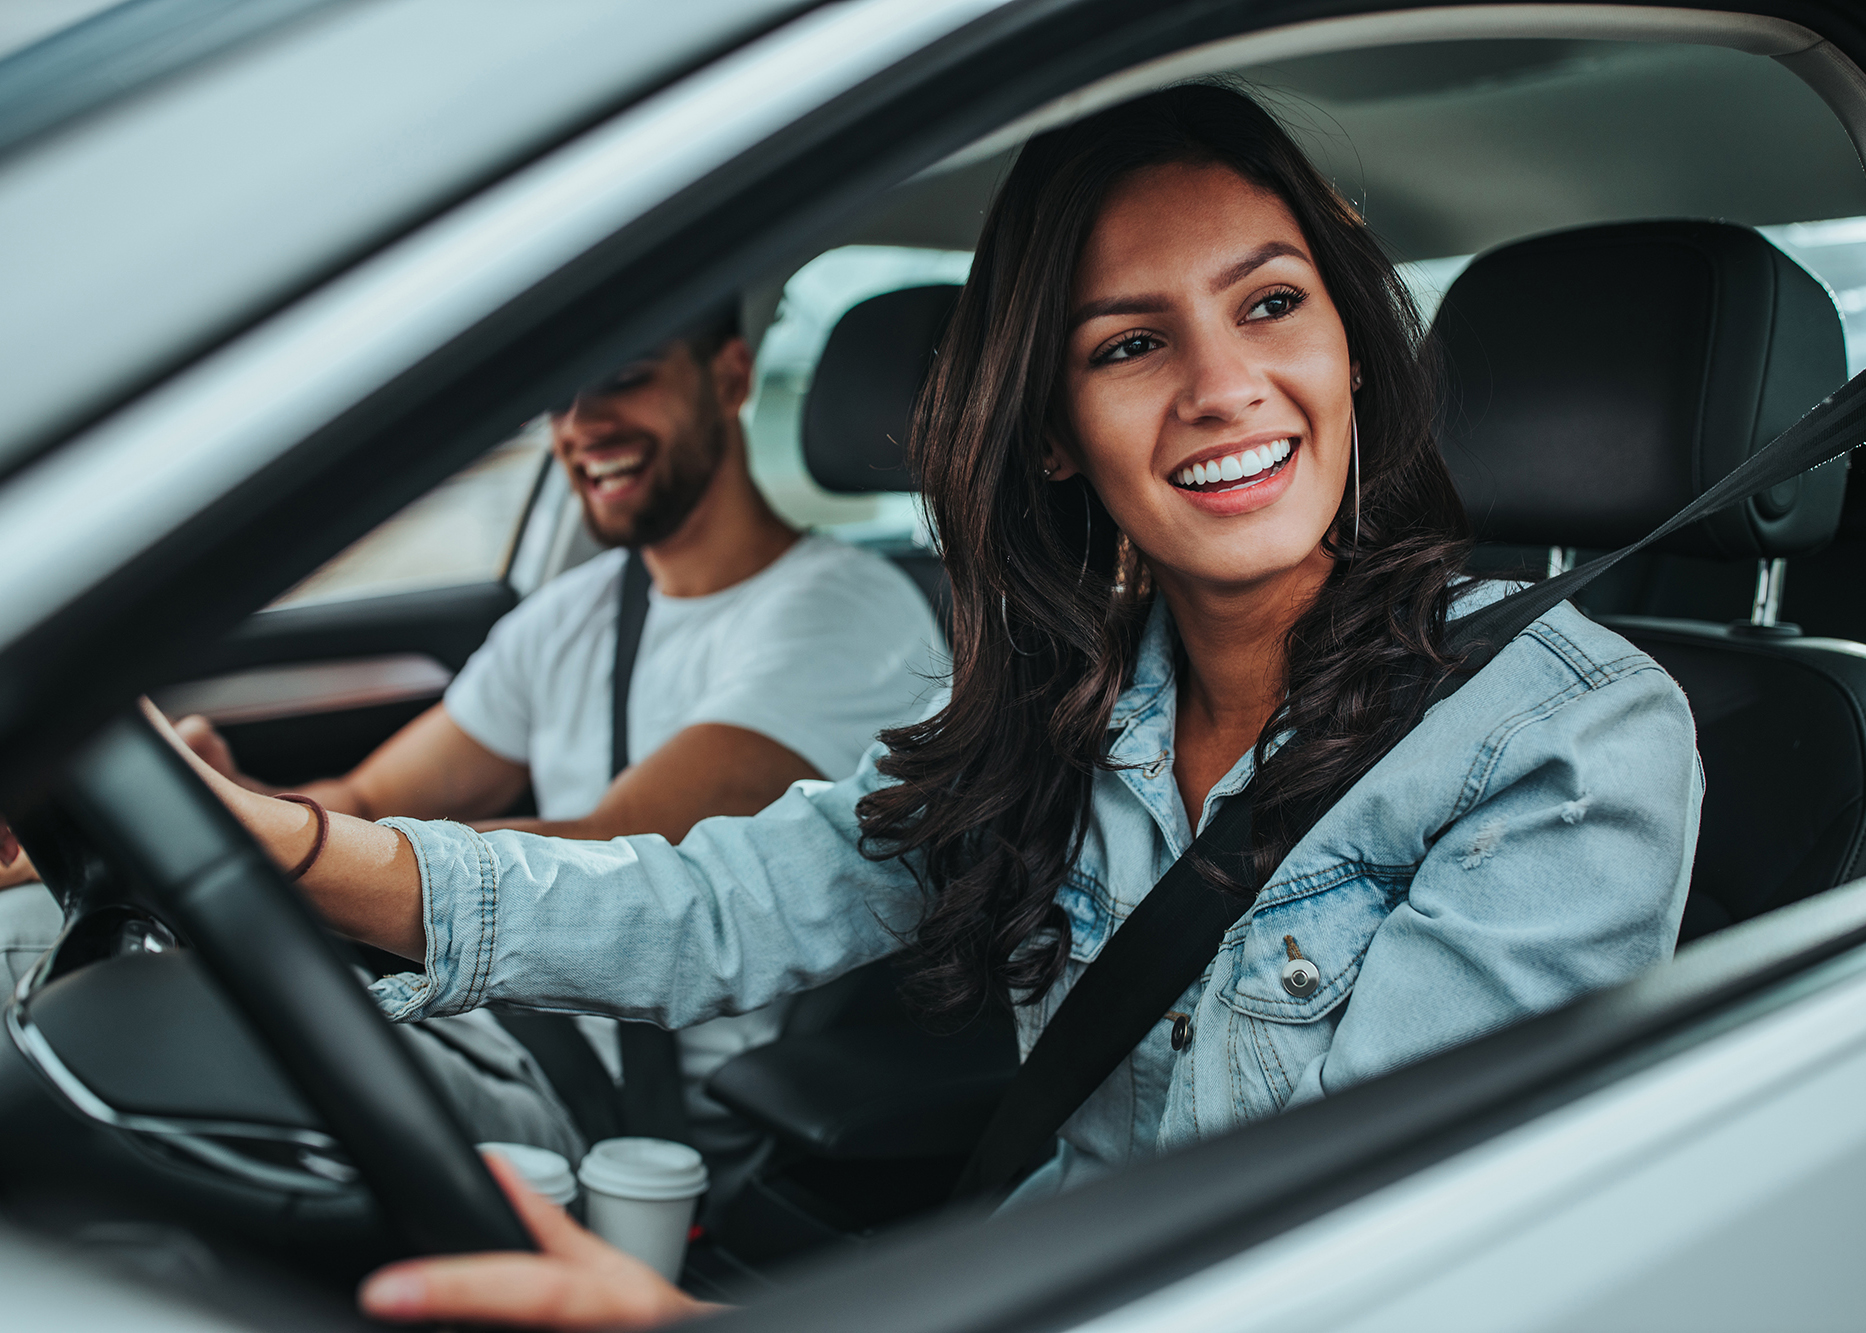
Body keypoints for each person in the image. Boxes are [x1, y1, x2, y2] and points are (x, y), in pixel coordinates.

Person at [7, 83, 1701, 1327]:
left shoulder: (1559, 740)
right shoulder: (1060, 712)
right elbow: (697, 903)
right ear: (1054, 431)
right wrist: (264, 842)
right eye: (1127, 344)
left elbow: (1353, 1275)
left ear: (1346, 345)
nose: (1221, 385)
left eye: (1272, 304)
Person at [0, 307, 946, 1178]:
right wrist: (216, 799)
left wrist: (261, 837)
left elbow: (622, 854)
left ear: (731, 376)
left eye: (625, 376)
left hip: (616, 1111)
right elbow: (366, 800)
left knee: (112, 1044)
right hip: (462, 1007)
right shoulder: (580, 608)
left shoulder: (844, 619)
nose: (581, 424)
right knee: (36, 931)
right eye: (561, 392)